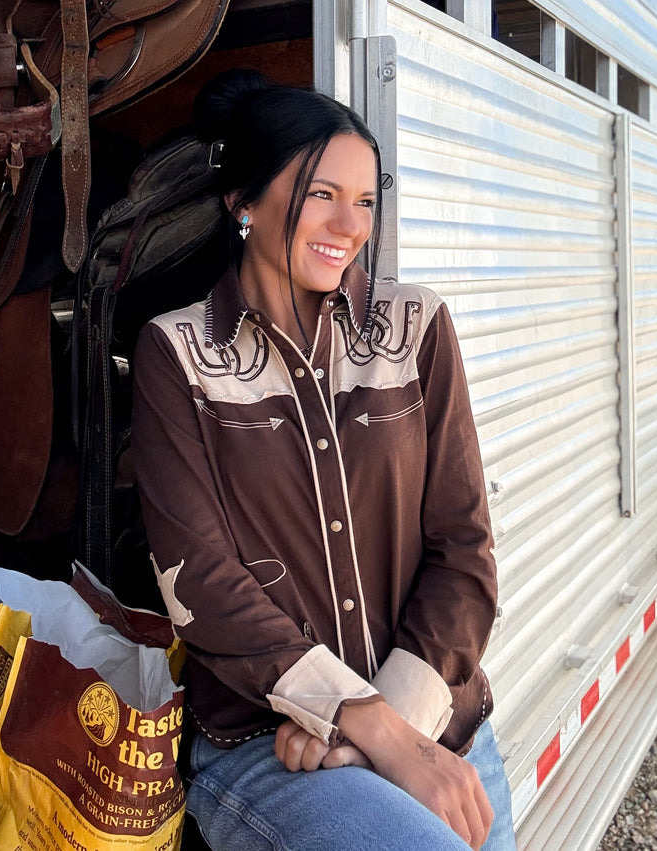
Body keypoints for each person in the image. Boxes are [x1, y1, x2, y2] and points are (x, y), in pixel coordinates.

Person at [131, 69, 516, 851]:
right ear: (244, 201)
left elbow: (465, 551)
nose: (350, 222)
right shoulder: (179, 354)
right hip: (268, 747)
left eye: (366, 199)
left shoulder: (416, 327)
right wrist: (360, 720)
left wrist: (386, 731)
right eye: (321, 193)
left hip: (439, 721)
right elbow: (200, 580)